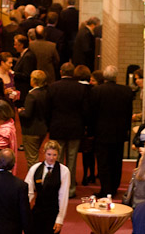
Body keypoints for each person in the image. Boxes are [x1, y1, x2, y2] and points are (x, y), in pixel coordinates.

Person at [25, 140, 70, 234]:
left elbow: (63, 197)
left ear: (58, 155)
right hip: (37, 214)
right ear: (44, 153)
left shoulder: (64, 171)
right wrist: (25, 211)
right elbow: (29, 191)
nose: (51, 158)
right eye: (49, 154)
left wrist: (60, 219)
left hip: (53, 214)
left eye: (54, 155)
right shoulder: (35, 169)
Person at [47, 62, 89, 198]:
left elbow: (48, 109)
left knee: (56, 158)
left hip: (57, 127)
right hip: (75, 128)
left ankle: (56, 186)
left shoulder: (53, 87)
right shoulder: (81, 89)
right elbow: (85, 111)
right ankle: (70, 189)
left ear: (61, 72)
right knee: (72, 159)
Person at [91, 64, 134, 198]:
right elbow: (129, 113)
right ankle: (115, 186)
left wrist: (91, 130)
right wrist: (127, 130)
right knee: (116, 161)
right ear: (116, 77)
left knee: (103, 162)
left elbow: (92, 113)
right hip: (119, 133)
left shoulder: (97, 91)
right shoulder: (126, 91)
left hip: (102, 132)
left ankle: (106, 189)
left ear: (104, 76)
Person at [19, 70, 49, 168]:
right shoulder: (46, 92)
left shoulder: (32, 95)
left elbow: (27, 114)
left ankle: (35, 181)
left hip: (31, 130)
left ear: (34, 81)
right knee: (36, 155)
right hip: (42, 128)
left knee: (32, 159)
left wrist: (20, 111)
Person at [13, 34, 37, 106]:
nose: (14, 47)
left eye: (16, 45)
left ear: (21, 45)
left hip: (24, 89)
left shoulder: (28, 56)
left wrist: (13, 73)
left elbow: (26, 75)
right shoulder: (23, 54)